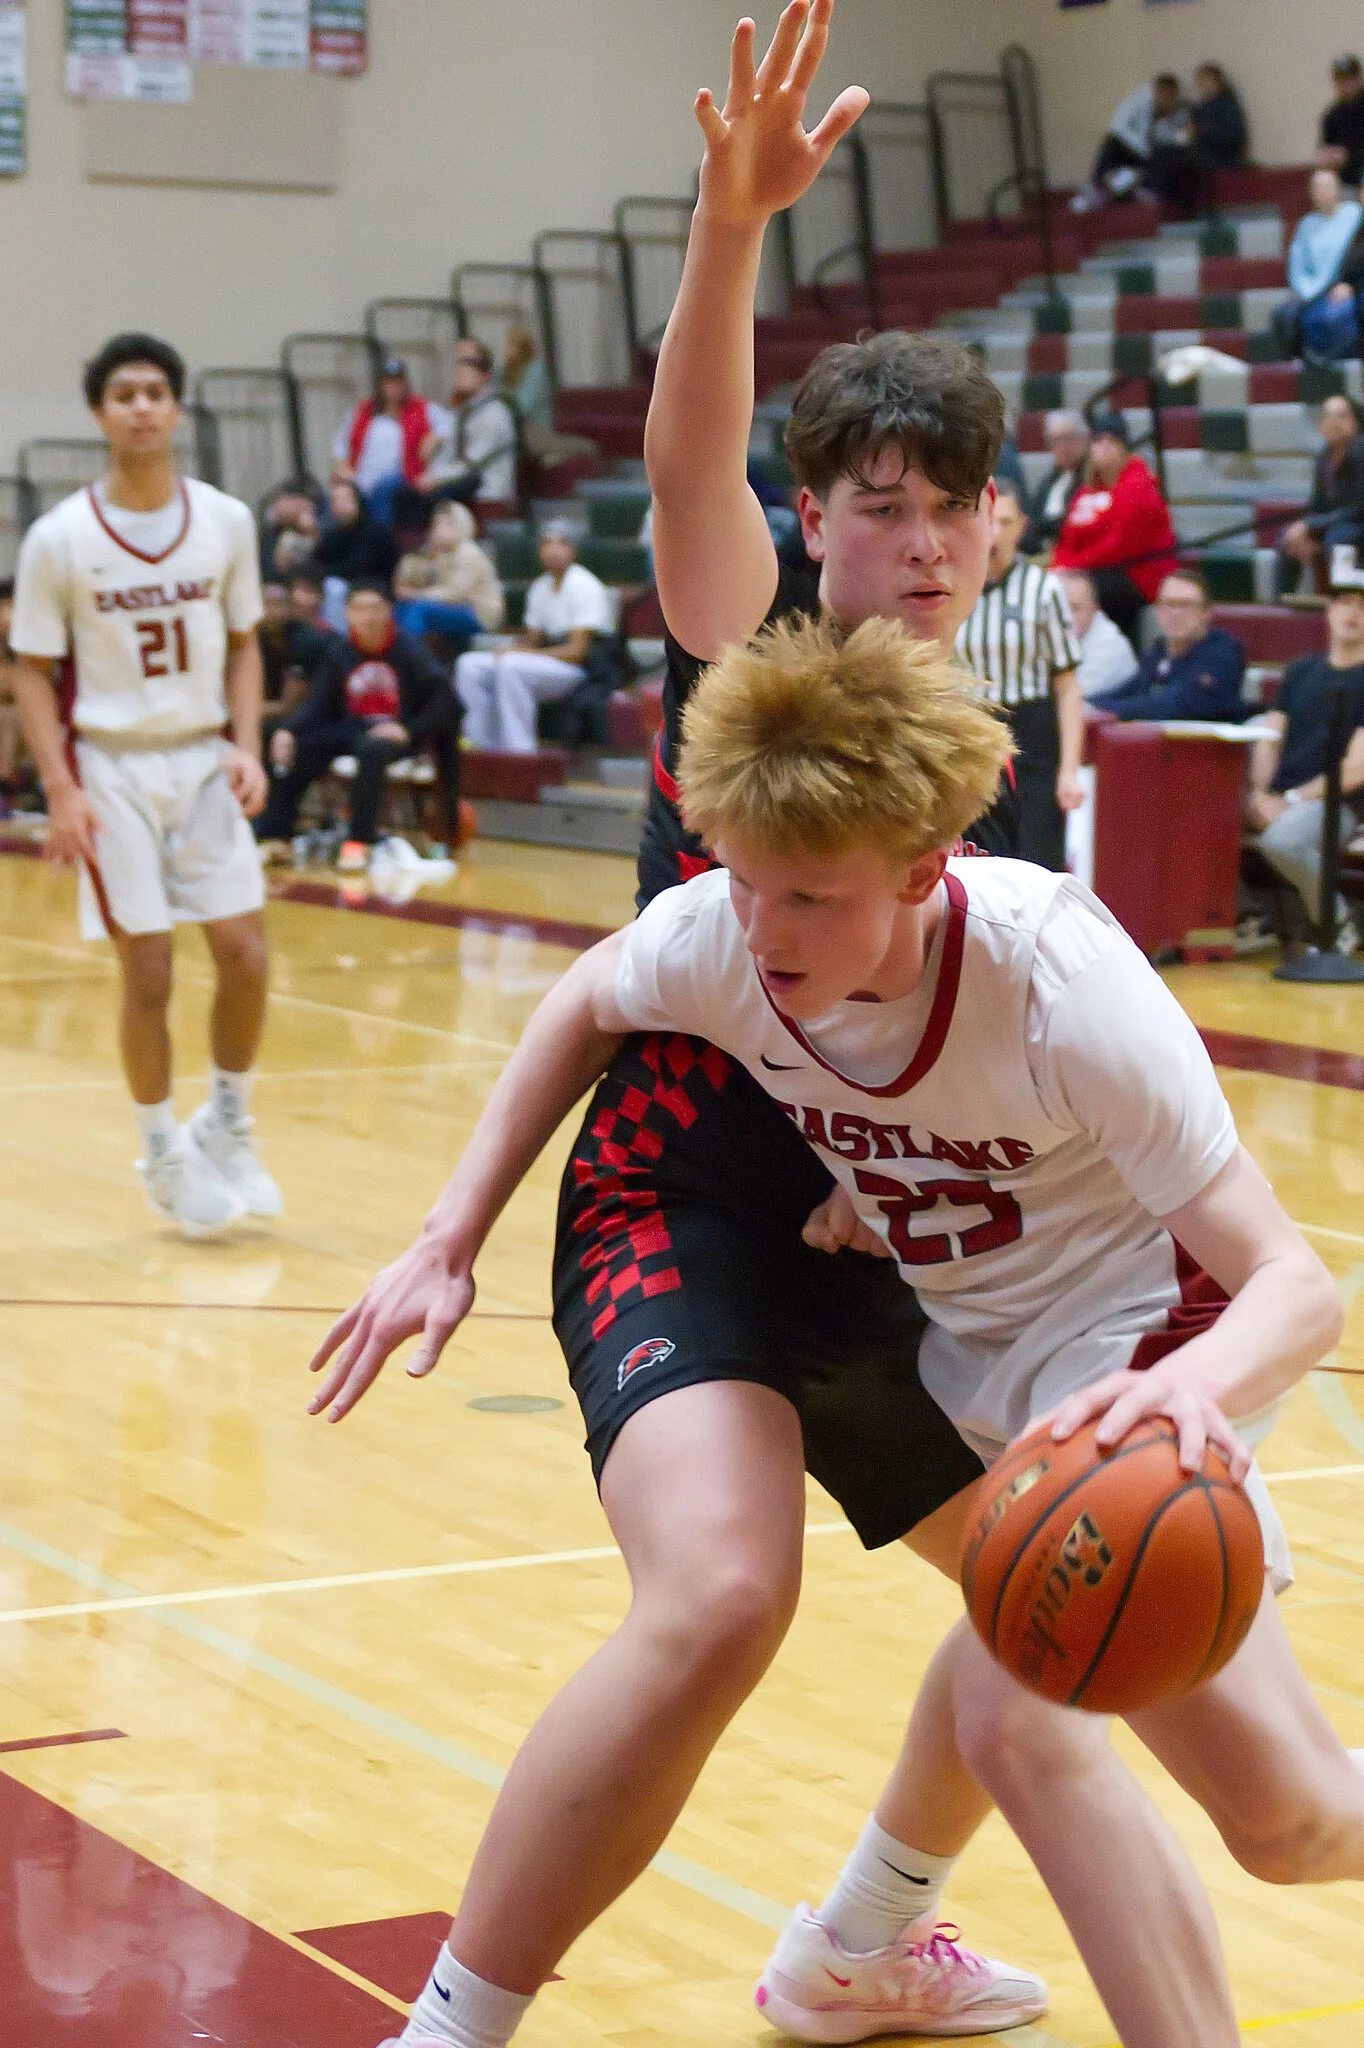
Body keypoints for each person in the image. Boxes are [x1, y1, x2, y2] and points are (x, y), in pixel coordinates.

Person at [310, 12, 1314, 2048]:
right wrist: (724, 227)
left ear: (1001, 533)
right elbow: (691, 469)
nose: (920, 540)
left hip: (913, 1240)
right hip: (690, 1190)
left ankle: (862, 1929)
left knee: (1044, 1606)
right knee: (719, 1601)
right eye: (877, 502)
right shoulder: (755, 633)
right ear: (817, 519)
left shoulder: (986, 776)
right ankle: (459, 2022)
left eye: (953, 506)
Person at [317, 616, 1364, 2048]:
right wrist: (449, 1235)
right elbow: (585, 995)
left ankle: (871, 1942)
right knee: (1287, 1817)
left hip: (1142, 1342)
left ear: (928, 871)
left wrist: (1182, 1394)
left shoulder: (1067, 984)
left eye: (810, 898)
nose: (763, 930)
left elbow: (1297, 1287)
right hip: (980, 1363)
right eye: (746, 886)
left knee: (1060, 1730)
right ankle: (862, 1941)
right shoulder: (727, 934)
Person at [8, 332, 279, 1238]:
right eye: (122, 393)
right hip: (111, 765)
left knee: (245, 953)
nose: (140, 406)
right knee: (151, 970)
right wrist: (61, 788)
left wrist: (248, 746)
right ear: (99, 414)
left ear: (177, 407)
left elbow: (246, 646)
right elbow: (33, 672)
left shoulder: (227, 521)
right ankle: (161, 1148)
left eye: (155, 391)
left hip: (203, 757)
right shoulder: (61, 538)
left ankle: (228, 1122)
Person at [254, 579, 462, 871]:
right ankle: (276, 836)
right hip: (353, 729)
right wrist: (289, 730)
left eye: (375, 608)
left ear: (388, 612)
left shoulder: (408, 650)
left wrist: (408, 729)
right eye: (359, 609)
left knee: (372, 749)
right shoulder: (340, 650)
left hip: (399, 733)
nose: (368, 616)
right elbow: (317, 702)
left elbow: (448, 700)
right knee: (297, 744)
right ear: (348, 614)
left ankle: (360, 841)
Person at [955, 479, 1084, 870]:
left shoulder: (1044, 590)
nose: (994, 533)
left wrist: (1070, 771)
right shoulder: (949, 586)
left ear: (1022, 527)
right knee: (977, 862)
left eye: (1005, 522)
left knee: (1036, 862)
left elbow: (1068, 688)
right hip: (966, 729)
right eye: (987, 520)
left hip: (1030, 734)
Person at [1244, 567, 1364, 948]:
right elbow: (1269, 738)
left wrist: (1291, 801)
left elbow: (1356, 769)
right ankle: (1248, 917)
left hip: (1337, 802)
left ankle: (1336, 925)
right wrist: (1260, 792)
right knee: (1200, 815)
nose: (1353, 614)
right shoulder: (1300, 670)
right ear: (1328, 611)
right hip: (1281, 793)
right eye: (1345, 603)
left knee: (1284, 841)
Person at [453, 523, 616, 752]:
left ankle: (519, 749)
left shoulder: (584, 585)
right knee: (469, 664)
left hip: (582, 670)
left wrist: (523, 654)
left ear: (573, 551)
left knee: (512, 666)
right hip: (547, 662)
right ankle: (481, 741)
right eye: (547, 543)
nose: (553, 550)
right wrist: (511, 648)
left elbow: (577, 652)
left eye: (561, 544)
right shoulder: (540, 586)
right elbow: (532, 639)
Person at [1051, 411, 1178, 648]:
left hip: (1137, 574)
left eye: (1112, 442)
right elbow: (1067, 537)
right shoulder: (1087, 488)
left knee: (1080, 591)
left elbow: (1118, 547)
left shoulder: (1139, 484)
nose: (1104, 448)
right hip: (1094, 570)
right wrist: (1057, 567)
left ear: (1124, 447)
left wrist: (1071, 568)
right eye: (1098, 441)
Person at [1089, 567, 1246, 723]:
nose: (1175, 613)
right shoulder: (1156, 653)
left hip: (1207, 746)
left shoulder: (1223, 652)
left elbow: (1175, 703)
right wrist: (1084, 706)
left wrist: (1100, 709)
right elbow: (1127, 692)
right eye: (1168, 604)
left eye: (1185, 605)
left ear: (1205, 613)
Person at [1275, 393, 1364, 596]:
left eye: (1342, 416)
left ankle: (1343, 601)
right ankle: (1281, 602)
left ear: (1356, 421)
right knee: (1289, 537)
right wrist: (1305, 529)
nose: (1334, 422)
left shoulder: (1361, 449)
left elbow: (1359, 507)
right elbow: (1317, 506)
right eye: (1329, 416)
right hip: (1339, 523)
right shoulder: (1324, 456)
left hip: (1358, 522)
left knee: (1339, 537)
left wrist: (1313, 525)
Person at [1271, 170, 1364, 363]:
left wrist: (1350, 285)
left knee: (1334, 316)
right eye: (1317, 188)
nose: (1322, 192)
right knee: (1283, 316)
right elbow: (1297, 263)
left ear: (1338, 189)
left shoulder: (1355, 216)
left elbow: (1353, 262)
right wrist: (1307, 290)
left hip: (1344, 287)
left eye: (1327, 187)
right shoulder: (1307, 223)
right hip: (1312, 290)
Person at [331, 355, 432, 529]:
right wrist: (343, 468)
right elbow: (341, 444)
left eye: (397, 383)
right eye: (388, 383)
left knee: (385, 488)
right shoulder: (363, 411)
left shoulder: (422, 409)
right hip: (360, 478)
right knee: (341, 493)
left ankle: (379, 536)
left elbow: (448, 429)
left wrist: (433, 442)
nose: (393, 389)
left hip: (401, 478)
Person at [419, 340, 519, 510]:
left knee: (430, 500)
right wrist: (431, 465)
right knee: (404, 495)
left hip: (487, 498)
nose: (461, 370)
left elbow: (471, 462)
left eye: (468, 363)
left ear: (486, 374)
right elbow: (448, 457)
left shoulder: (496, 412)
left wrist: (435, 477)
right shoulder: (462, 413)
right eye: (459, 363)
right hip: (459, 492)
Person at [1070, 74, 1181, 212]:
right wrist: (1145, 150)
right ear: (1157, 91)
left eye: (1170, 97)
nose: (1167, 101)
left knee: (1162, 157)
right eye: (1164, 96)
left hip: (1145, 159)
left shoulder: (1174, 113)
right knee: (1112, 143)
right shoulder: (1136, 102)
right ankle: (1099, 186)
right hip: (1132, 150)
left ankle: (1111, 188)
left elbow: (1170, 138)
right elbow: (1117, 127)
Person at [257, 579, 333, 748]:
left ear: (291, 607)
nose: (271, 611)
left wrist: (238, 711)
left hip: (313, 718)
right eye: (265, 604)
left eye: (278, 604)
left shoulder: (305, 641)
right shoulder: (257, 639)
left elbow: (287, 707)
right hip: (273, 714)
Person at [1056, 567, 1139, 698]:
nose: (1066, 617)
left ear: (1095, 608)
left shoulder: (1111, 646)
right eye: (1058, 607)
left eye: (1075, 608)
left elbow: (1069, 698)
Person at [1021, 408, 1089, 556]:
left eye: (1068, 438)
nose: (1062, 447)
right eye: (1055, 440)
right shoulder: (1049, 481)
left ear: (1084, 439)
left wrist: (1041, 528)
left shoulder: (1091, 478)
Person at [1316, 53, 1364, 191]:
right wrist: (1327, 158)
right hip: (1343, 182)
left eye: (1349, 79)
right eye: (1340, 80)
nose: (1345, 85)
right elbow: (1326, 146)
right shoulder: (1332, 116)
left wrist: (1347, 156)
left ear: (1358, 79)